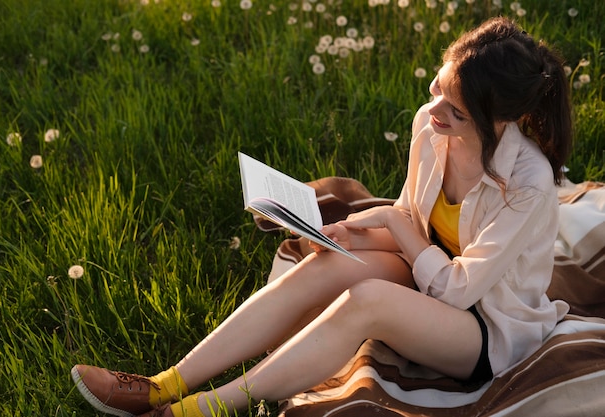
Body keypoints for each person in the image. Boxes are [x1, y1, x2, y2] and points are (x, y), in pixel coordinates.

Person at [71, 16, 573, 417]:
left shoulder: (527, 184)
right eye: (436, 88)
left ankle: (199, 411)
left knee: (368, 298)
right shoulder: (431, 124)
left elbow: (460, 288)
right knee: (331, 263)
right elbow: (413, 219)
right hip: (428, 275)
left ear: (499, 119)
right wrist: (354, 236)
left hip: (485, 328)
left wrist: (390, 224)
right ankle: (165, 384)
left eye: (456, 110)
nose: (434, 110)